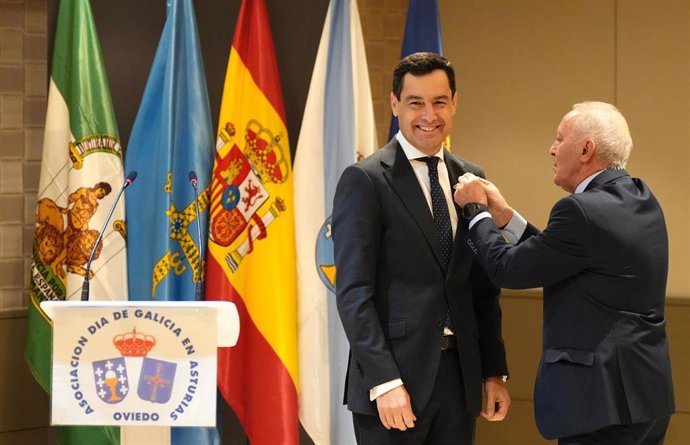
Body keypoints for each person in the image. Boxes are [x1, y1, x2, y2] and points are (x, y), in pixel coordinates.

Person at [453, 101, 675, 444]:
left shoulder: (580, 211)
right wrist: (506, 217)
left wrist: (476, 210)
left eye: (559, 138)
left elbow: (508, 270)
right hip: (645, 399)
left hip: (598, 405)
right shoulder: (642, 198)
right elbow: (564, 257)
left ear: (586, 149)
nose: (551, 149)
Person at [332, 52, 510, 445]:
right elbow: (353, 294)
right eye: (415, 102)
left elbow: (481, 287)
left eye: (439, 102)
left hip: (459, 381)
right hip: (395, 384)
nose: (429, 115)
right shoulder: (365, 180)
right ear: (394, 104)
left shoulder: (471, 177)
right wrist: (384, 380)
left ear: (455, 103)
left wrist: (493, 372)